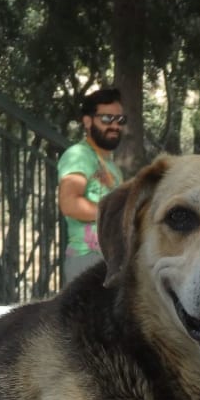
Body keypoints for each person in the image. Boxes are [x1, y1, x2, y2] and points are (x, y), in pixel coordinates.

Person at [57, 88, 125, 283]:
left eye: (120, 120)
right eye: (106, 119)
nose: (115, 125)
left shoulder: (112, 166)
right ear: (87, 121)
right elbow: (69, 204)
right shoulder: (79, 154)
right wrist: (114, 215)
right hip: (87, 259)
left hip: (110, 260)